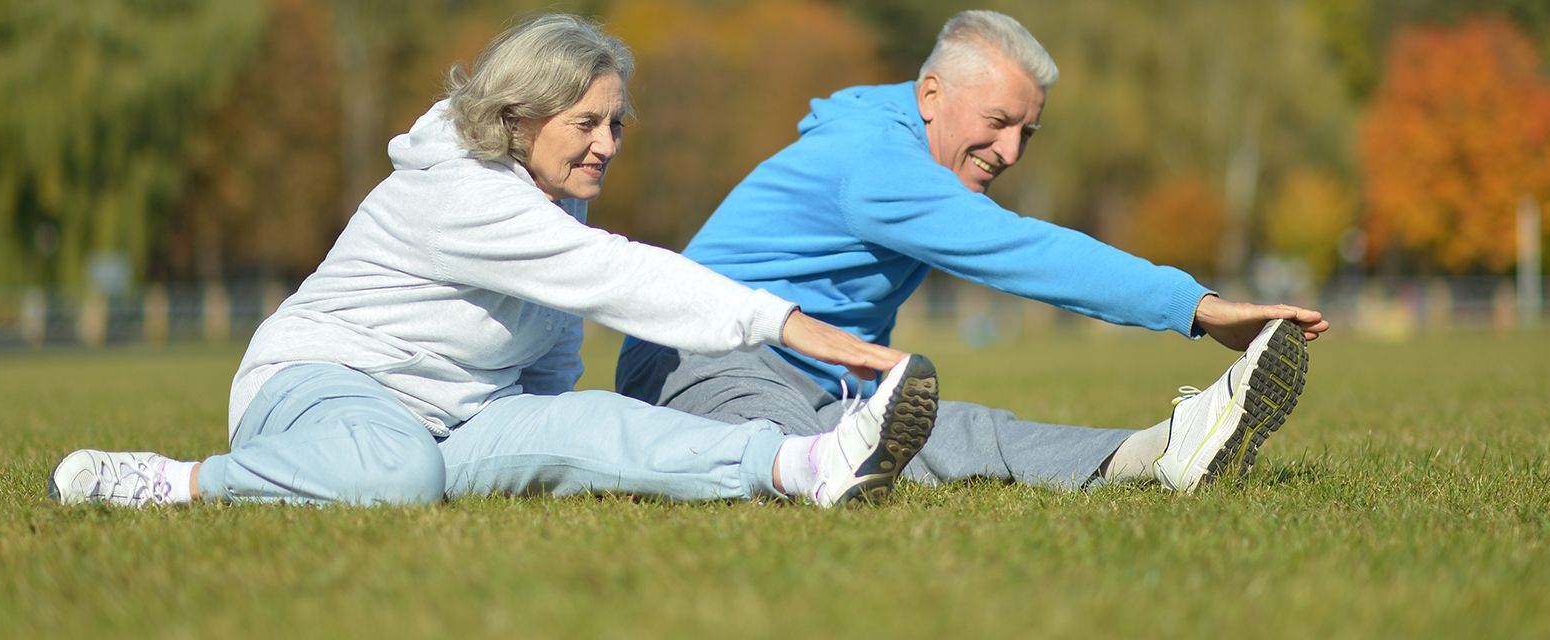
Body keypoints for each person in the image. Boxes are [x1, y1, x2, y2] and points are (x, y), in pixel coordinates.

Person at [47, 14, 940, 509]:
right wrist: (798, 329)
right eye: (586, 123)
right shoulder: (462, 193)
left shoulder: (556, 200)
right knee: (398, 472)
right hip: (316, 388)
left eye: (615, 124)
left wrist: (559, 425)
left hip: (457, 421)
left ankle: (809, 466)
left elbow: (553, 343)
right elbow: (622, 276)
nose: (607, 144)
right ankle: (172, 482)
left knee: (592, 423)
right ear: (519, 116)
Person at [617, 10, 1328, 493]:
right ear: (931, 93)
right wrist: (1196, 307)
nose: (1010, 150)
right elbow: (1025, 251)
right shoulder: (876, 162)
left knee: (955, 433)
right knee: (818, 460)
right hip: (706, 363)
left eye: (1028, 132)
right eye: (998, 121)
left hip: (823, 380)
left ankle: (1155, 453)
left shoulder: (898, 147)